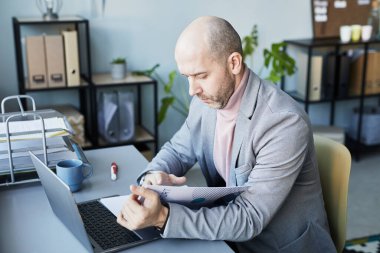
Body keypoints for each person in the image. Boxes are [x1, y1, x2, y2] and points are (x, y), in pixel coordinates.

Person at [117, 16, 336, 253]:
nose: (192, 90)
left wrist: (163, 217)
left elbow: (249, 217)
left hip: (276, 246)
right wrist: (153, 178)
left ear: (234, 63)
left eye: (201, 76)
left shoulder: (282, 122)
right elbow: (177, 151)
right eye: (187, 77)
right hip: (227, 237)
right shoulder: (207, 102)